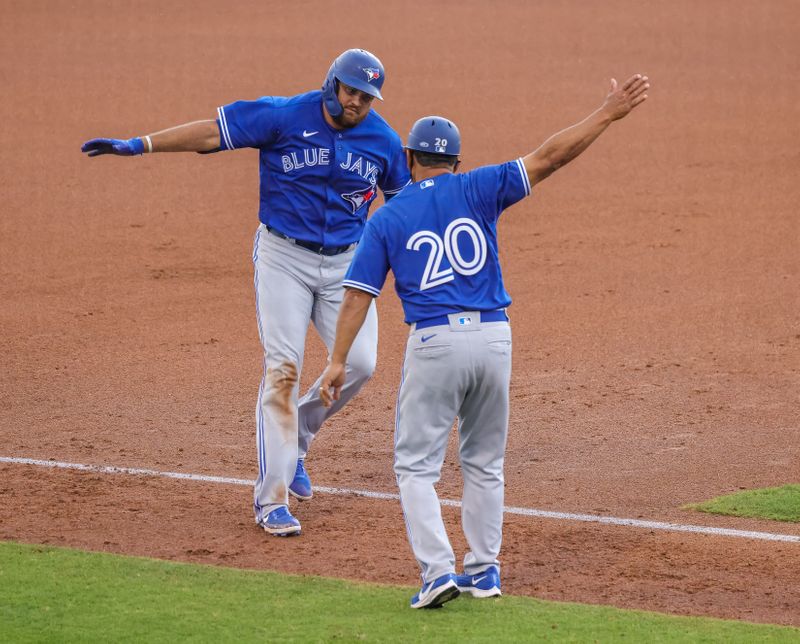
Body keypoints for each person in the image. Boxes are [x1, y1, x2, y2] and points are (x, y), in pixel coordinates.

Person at [318, 74, 650, 608]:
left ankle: (436, 573)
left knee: (415, 469)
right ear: (455, 160)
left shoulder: (388, 217)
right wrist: (607, 113)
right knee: (484, 463)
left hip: (435, 345)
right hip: (495, 337)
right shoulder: (480, 186)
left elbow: (358, 295)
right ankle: (485, 571)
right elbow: (549, 157)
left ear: (408, 158)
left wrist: (337, 361)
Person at [81, 49, 411, 537]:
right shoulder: (282, 116)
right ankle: (271, 500)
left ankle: (296, 439)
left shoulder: (382, 141)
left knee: (361, 364)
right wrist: (140, 144)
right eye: (351, 91)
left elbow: (402, 203)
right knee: (284, 367)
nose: (359, 102)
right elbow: (212, 132)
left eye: (367, 96)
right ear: (331, 85)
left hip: (346, 264)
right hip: (284, 258)